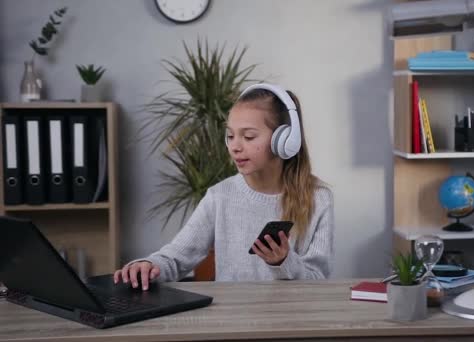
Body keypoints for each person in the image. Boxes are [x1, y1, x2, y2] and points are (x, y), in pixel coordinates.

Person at [114, 83, 334, 290]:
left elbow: (318, 281)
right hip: (232, 323)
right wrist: (148, 266)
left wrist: (285, 261)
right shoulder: (220, 196)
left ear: (285, 140)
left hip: (293, 321)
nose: (235, 147)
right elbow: (176, 257)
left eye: (248, 136)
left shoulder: (319, 198)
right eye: (230, 136)